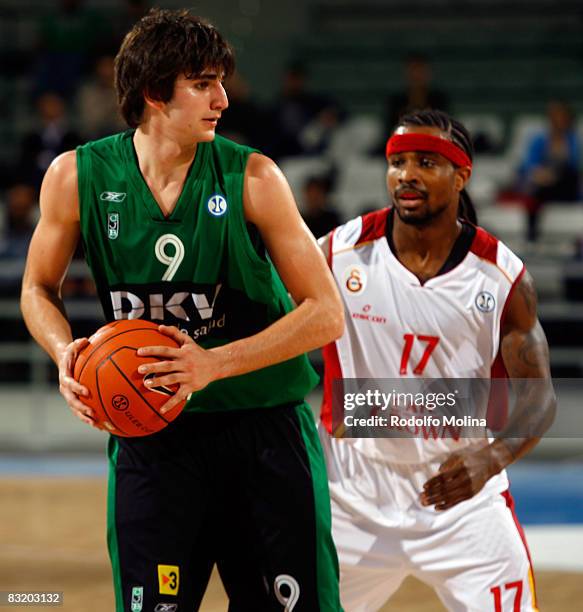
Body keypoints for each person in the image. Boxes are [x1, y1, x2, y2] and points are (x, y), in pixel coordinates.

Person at [21, 9, 344, 611]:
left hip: (262, 432)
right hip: (152, 437)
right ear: (152, 93)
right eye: (202, 83)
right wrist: (67, 352)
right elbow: (38, 288)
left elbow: (326, 313)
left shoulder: (254, 177)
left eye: (222, 80)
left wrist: (212, 365)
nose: (223, 97)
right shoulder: (76, 177)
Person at [317, 109, 556, 611]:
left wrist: (490, 458)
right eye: (398, 162)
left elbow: (539, 400)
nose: (407, 174)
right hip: (351, 496)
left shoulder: (503, 278)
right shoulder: (339, 253)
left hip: (461, 496)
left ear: (462, 175)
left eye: (426, 162)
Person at [517, 100, 580, 242]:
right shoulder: (540, 139)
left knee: (567, 175)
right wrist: (542, 175)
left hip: (566, 186)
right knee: (536, 190)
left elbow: (573, 167)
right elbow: (529, 165)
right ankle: (532, 235)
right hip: (545, 185)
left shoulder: (572, 140)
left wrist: (554, 174)